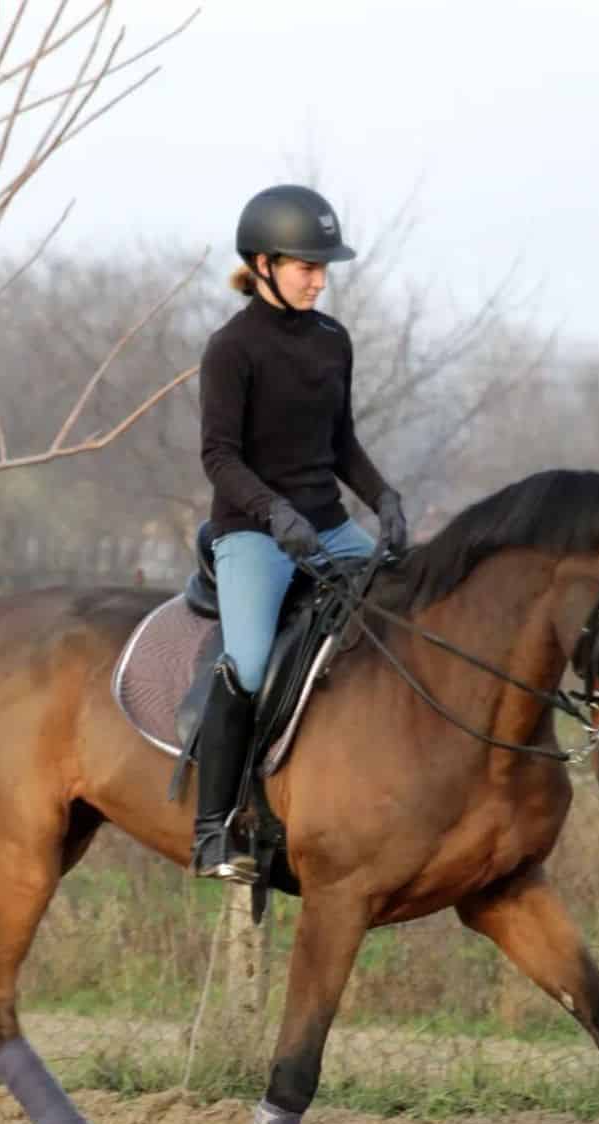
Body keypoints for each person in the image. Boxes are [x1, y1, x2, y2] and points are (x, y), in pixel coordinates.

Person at [191, 183, 408, 881]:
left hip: (329, 527)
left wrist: (383, 500)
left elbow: (341, 442)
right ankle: (215, 829)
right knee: (250, 664)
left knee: (399, 619)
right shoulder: (232, 348)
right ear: (262, 264)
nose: (319, 279)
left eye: (324, 268)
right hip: (253, 532)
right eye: (305, 266)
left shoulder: (331, 340)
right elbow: (218, 456)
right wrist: (274, 514)